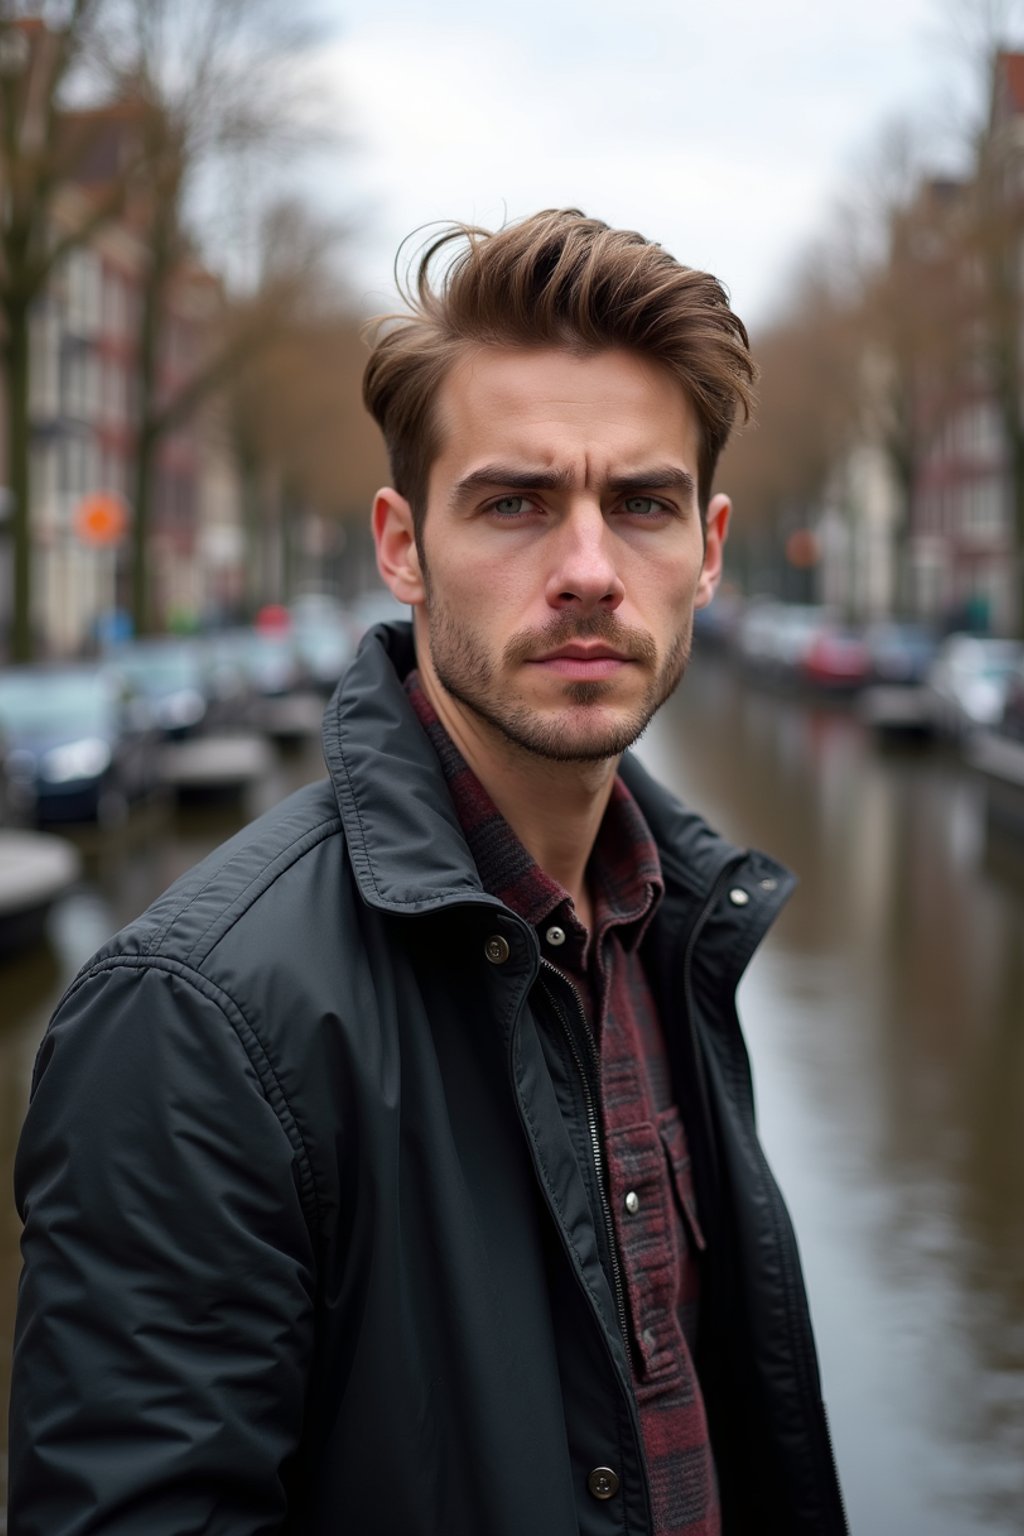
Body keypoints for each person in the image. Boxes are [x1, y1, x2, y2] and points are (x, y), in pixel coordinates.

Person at [9, 210, 847, 1536]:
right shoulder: (193, 1024)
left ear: (710, 551)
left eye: (641, 505)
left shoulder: (677, 928)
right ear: (401, 546)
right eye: (515, 503)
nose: (587, 573)